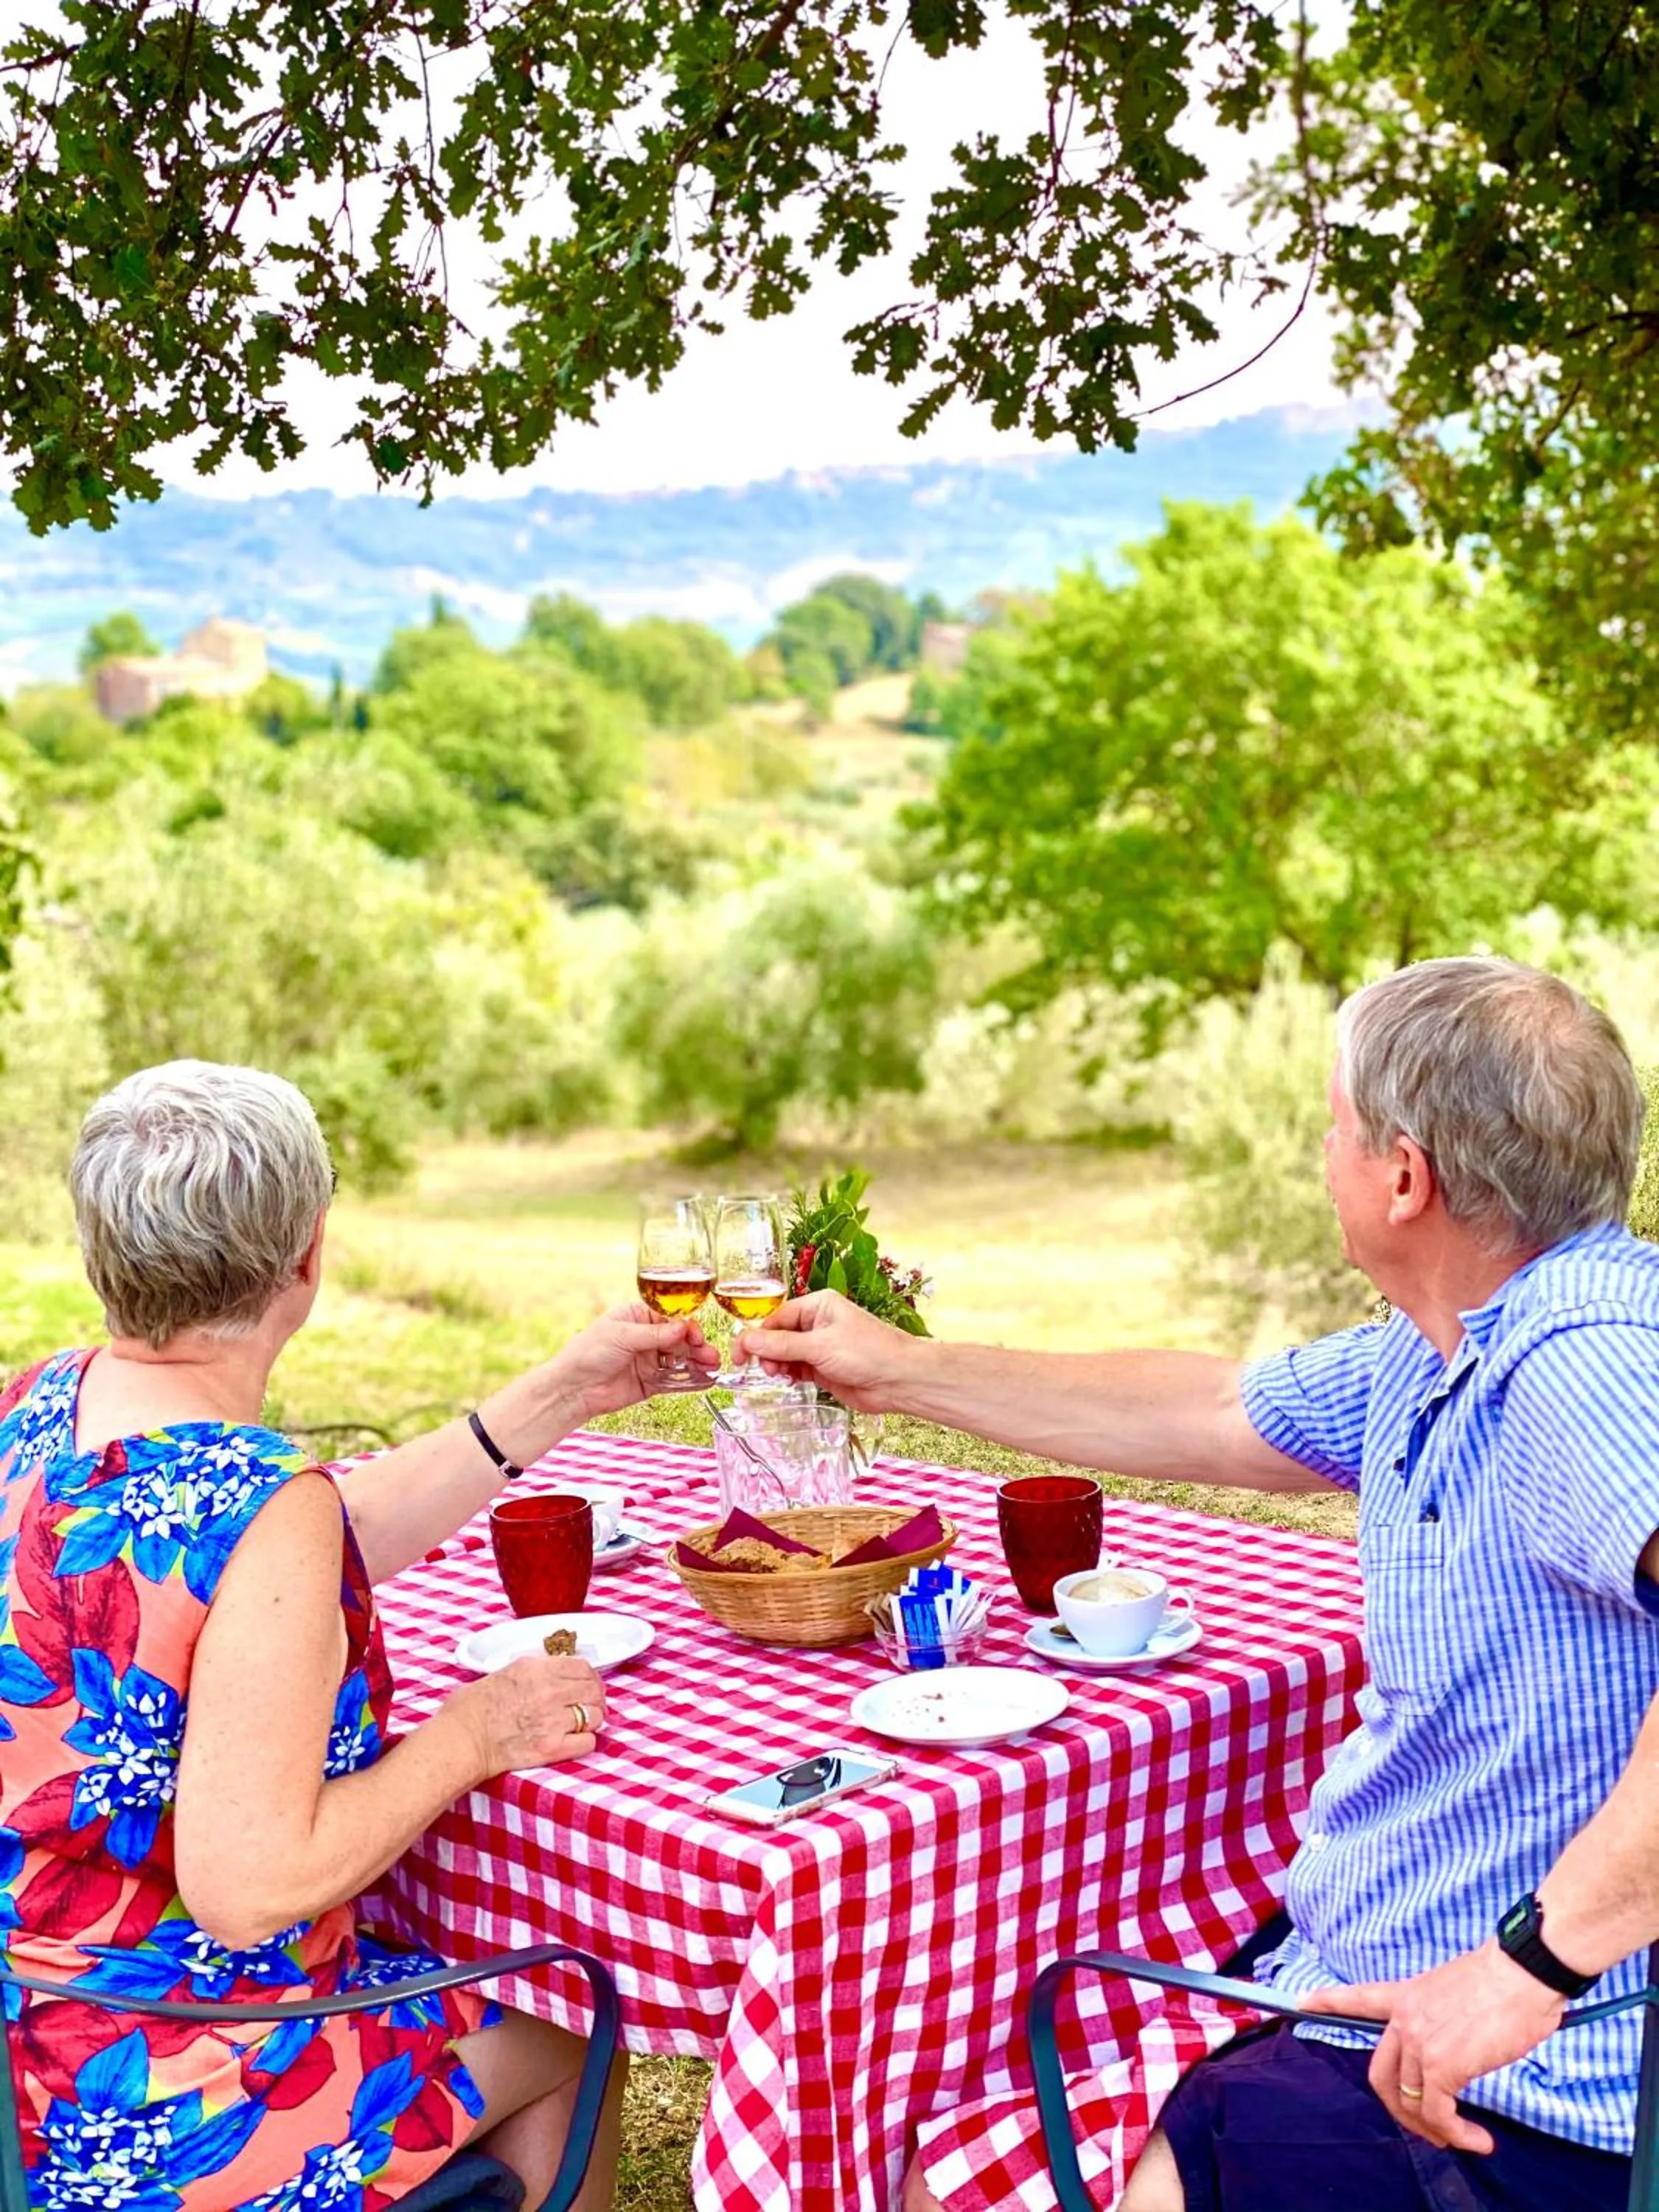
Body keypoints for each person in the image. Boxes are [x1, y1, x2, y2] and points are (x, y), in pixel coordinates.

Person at [738, 956, 1659, 2212]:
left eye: (1330, 1130)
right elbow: (1216, 1410)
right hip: (1366, 1989)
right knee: (959, 2139)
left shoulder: (1583, 1364)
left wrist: (1528, 1968)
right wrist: (897, 1368)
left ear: (1403, 1177)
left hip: (1525, 2085)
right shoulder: (1448, 1340)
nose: (1319, 1158)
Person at [0, 1059, 717, 2212]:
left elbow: (321, 1535)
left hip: (22, 2043)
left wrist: (564, 1393)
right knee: (569, 2006)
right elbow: (251, 1889)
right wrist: (476, 1733)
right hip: (162, 2087)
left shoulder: (42, 1401)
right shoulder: (261, 1501)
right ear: (307, 1255)